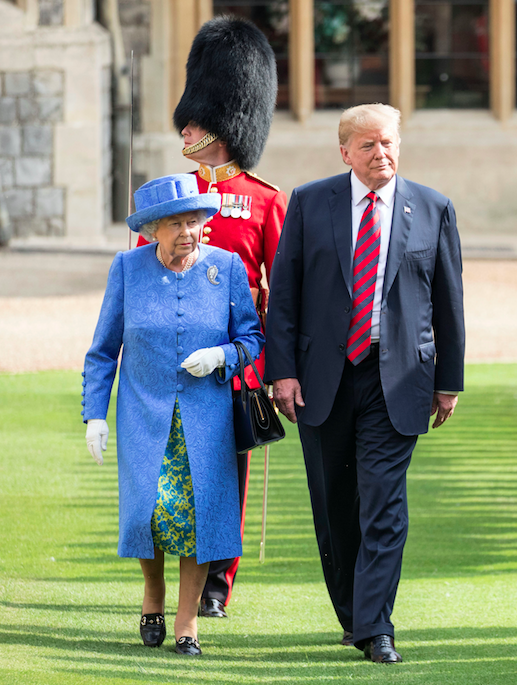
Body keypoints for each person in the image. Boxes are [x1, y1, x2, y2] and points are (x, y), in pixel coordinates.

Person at [265, 103, 465, 664]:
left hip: (397, 378)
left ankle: (377, 625)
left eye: (390, 143)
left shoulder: (433, 208)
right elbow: (285, 296)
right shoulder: (309, 202)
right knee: (335, 505)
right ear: (345, 151)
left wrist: (448, 382)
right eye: (370, 146)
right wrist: (281, 372)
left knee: (383, 501)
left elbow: (449, 303)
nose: (382, 155)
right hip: (323, 378)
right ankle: (354, 613)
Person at [133, 16, 287, 619]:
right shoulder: (171, 195)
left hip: (234, 362)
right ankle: (163, 584)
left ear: (224, 124)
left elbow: (282, 292)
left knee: (228, 479)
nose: (186, 129)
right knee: (170, 471)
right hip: (173, 354)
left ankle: (219, 580)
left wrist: (274, 366)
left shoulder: (266, 200)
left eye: (197, 121)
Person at [82, 173, 264, 655]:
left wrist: (221, 357)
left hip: (206, 421)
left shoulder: (226, 267)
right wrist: (94, 415)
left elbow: (251, 339)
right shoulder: (127, 268)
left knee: (197, 518)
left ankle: (187, 623)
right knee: (151, 514)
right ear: (153, 230)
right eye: (176, 223)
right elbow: (103, 351)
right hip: (144, 416)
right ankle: (153, 594)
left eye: (195, 221)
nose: (189, 231)